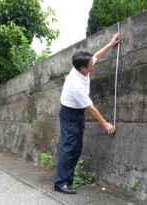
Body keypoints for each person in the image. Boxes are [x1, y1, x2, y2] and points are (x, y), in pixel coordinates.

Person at [54, 33, 120, 194]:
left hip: (76, 112)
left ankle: (68, 180)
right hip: (69, 113)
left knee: (76, 147)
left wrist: (110, 44)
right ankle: (60, 183)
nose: (93, 65)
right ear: (83, 68)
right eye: (91, 64)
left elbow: (97, 55)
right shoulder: (75, 84)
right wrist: (105, 124)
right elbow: (91, 108)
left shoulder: (84, 67)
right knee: (68, 147)